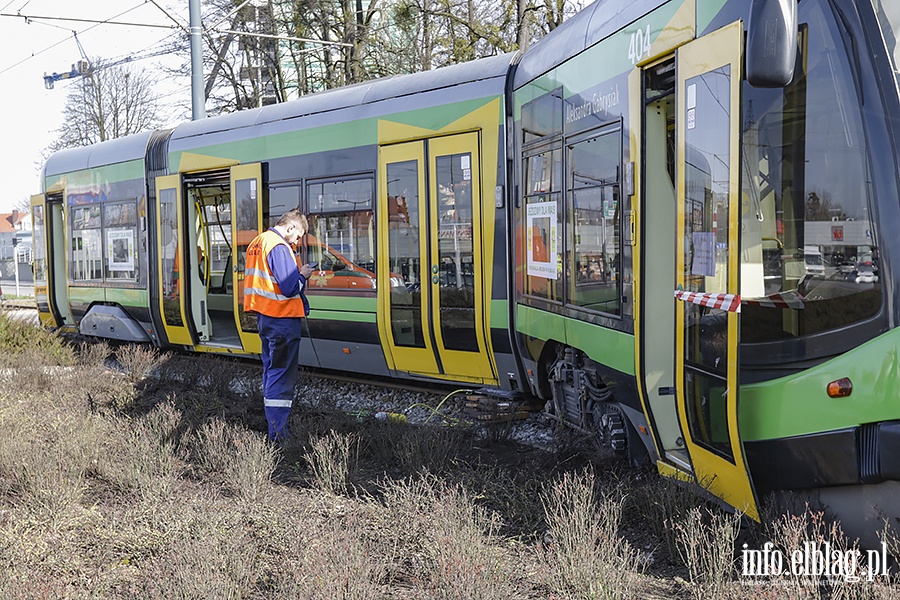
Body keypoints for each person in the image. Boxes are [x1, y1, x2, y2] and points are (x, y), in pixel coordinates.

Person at [243, 209, 313, 441]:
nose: (298, 240)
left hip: (266, 318)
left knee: (272, 371)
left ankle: (274, 425)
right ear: (291, 227)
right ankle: (279, 435)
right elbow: (289, 286)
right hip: (282, 320)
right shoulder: (279, 246)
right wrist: (302, 275)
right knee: (281, 376)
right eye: (299, 234)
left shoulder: (258, 241)